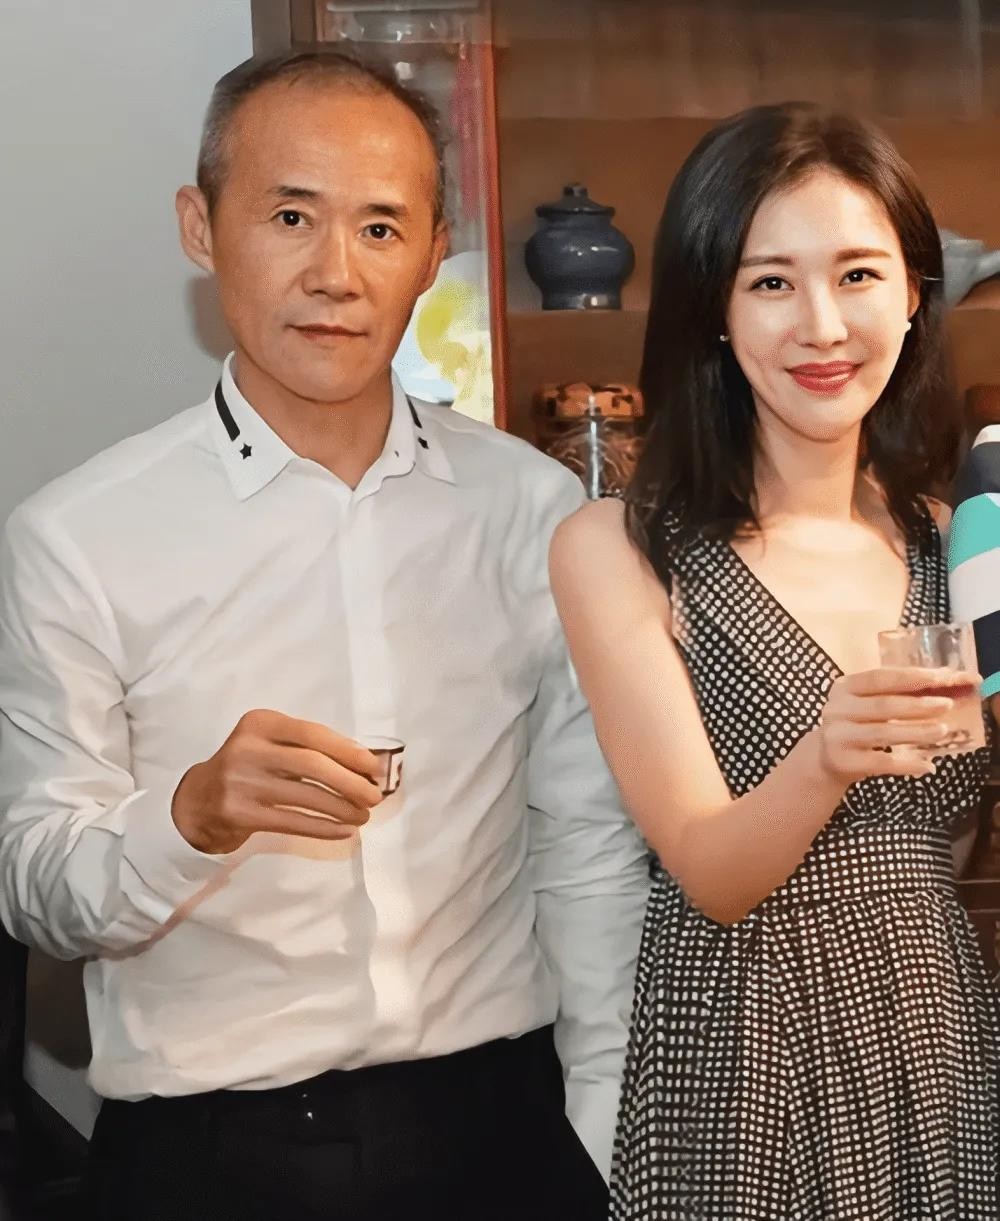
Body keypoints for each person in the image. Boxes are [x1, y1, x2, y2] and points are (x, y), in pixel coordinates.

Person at [0, 49, 649, 1221]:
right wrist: (190, 816)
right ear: (201, 226)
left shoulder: (530, 508)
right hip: (209, 1154)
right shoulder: (77, 538)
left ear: (433, 252)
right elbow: (36, 890)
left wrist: (600, 1137)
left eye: (380, 227)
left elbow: (584, 848)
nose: (335, 274)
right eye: (291, 216)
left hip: (501, 1127)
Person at [550, 102, 1000, 1219]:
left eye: (858, 275)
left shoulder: (954, 541)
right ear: (713, 307)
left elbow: (952, 836)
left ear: (912, 296)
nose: (822, 325)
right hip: (745, 1037)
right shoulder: (619, 546)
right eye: (769, 283)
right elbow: (710, 870)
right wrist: (826, 755)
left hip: (933, 1022)